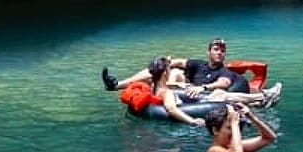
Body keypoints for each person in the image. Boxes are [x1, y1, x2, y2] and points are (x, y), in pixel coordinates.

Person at [102, 37, 283, 107]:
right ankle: (116, 85)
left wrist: (202, 88)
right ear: (209, 52)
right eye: (216, 49)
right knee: (171, 70)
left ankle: (262, 97)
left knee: (219, 93)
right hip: (185, 93)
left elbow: (223, 84)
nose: (219, 52)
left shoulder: (225, 72)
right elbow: (180, 61)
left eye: (222, 50)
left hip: (203, 97)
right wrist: (165, 63)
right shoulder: (198, 64)